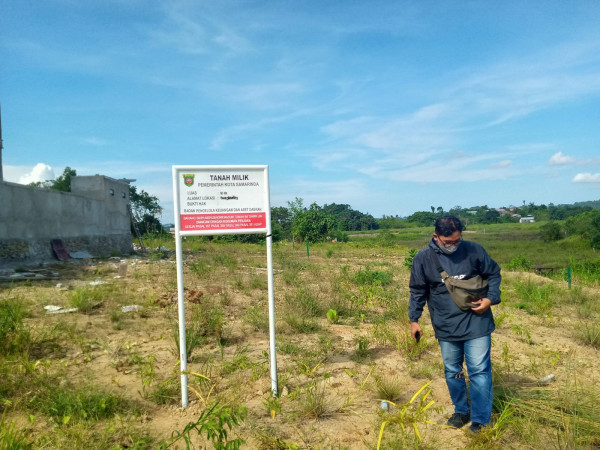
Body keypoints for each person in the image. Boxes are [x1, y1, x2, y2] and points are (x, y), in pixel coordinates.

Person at [408, 214, 501, 433]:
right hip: (446, 325)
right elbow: (418, 290)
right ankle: (461, 411)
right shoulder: (424, 258)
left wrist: (490, 299)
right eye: (447, 242)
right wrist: (414, 319)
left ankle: (480, 419)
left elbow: (494, 274)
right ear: (436, 236)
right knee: (453, 370)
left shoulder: (474, 250)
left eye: (456, 241)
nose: (453, 246)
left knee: (478, 370)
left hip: (477, 322)